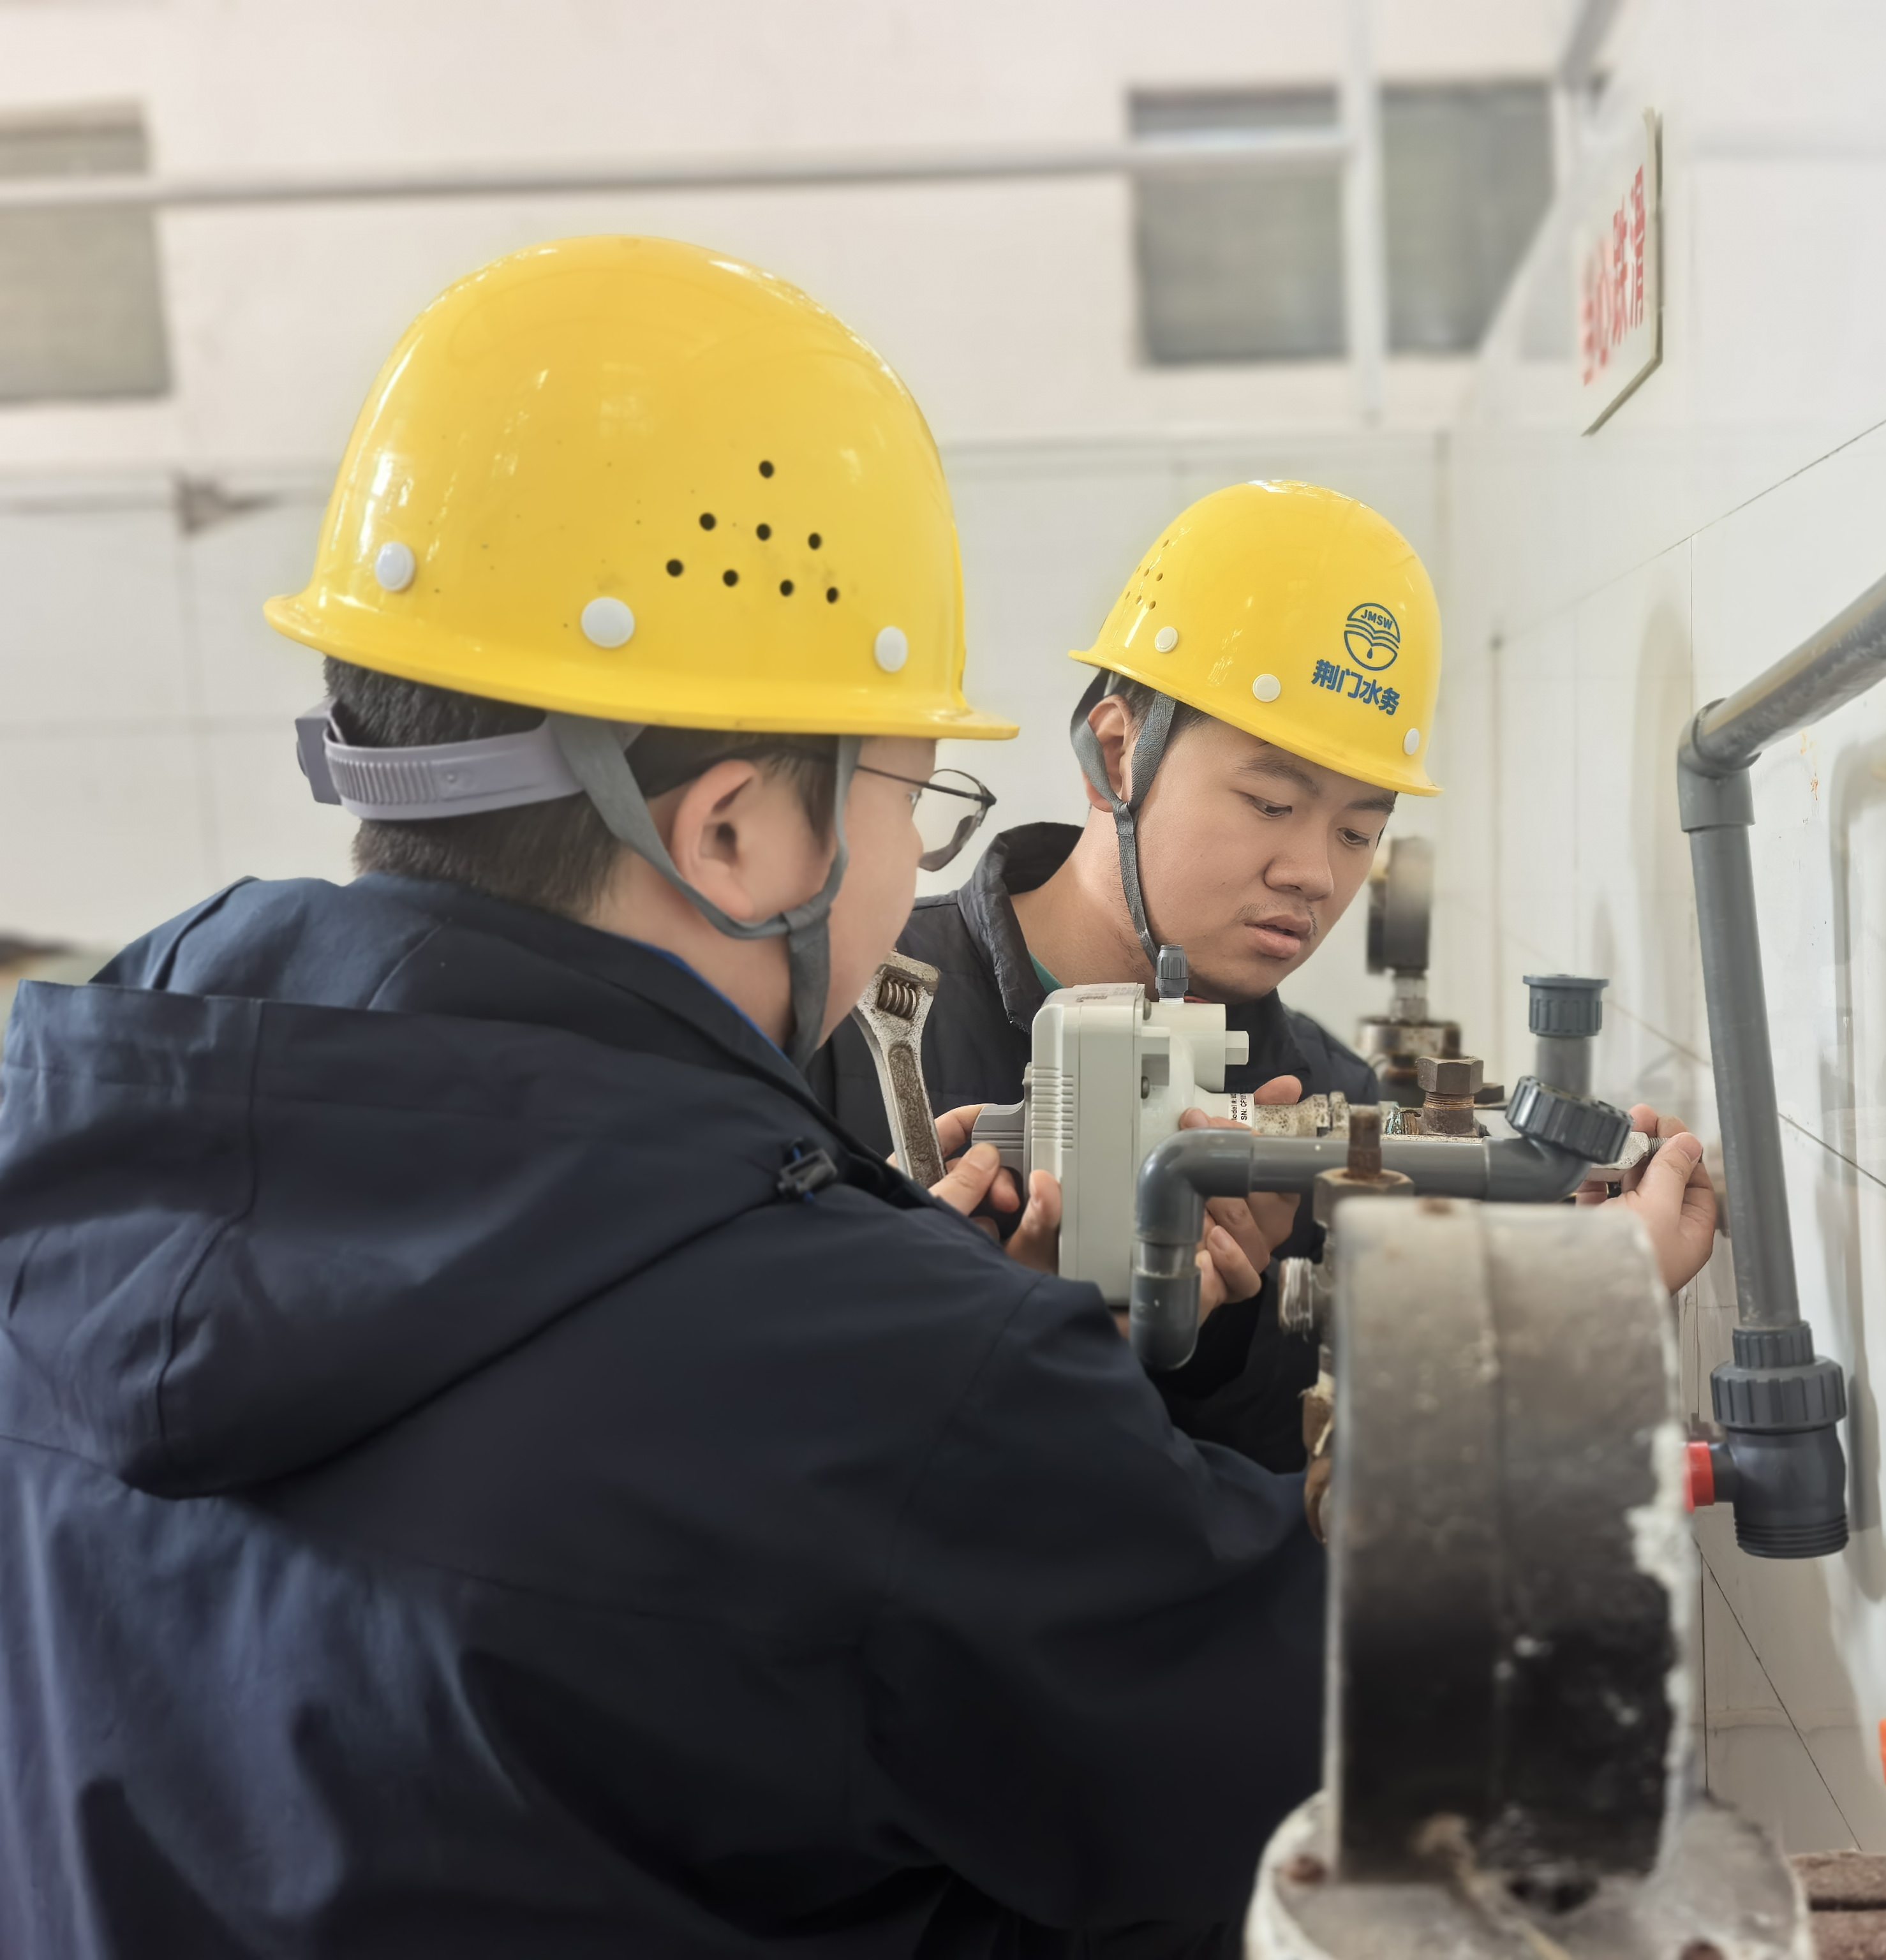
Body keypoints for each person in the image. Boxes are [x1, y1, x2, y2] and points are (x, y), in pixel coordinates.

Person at [0, 236, 1321, 1959]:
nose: (909, 856)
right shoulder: (899, 1387)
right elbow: (1342, 1798)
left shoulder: (71, 1168)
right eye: (909, 793)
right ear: (733, 830)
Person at [809, 482, 1720, 1469]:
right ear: (1118, 755)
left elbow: (1317, 1487)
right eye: (1271, 803)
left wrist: (1232, 1339)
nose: (1316, 875)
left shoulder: (1335, 1108)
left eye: (1358, 831)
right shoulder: (854, 1016)